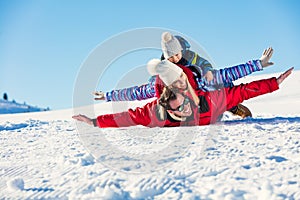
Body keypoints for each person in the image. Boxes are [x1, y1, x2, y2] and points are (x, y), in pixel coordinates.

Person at [73, 59, 293, 128]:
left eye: (185, 102)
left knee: (226, 92)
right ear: (168, 108)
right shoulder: (155, 113)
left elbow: (242, 91)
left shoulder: (206, 100)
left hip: (210, 90)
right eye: (180, 107)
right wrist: (94, 121)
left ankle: (233, 109)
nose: (186, 107)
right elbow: (126, 117)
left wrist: (274, 82)